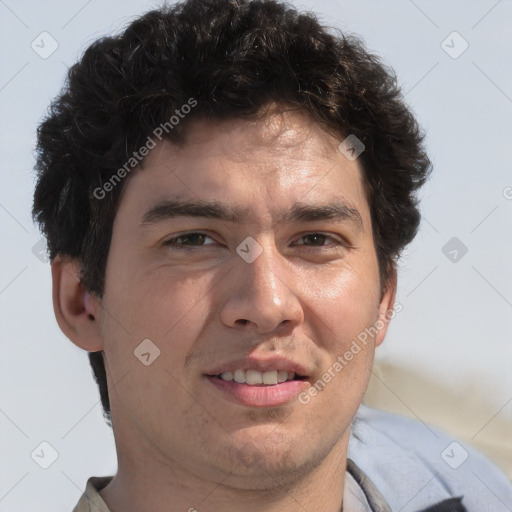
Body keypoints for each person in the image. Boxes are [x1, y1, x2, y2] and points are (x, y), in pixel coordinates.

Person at [32, 0, 512, 510]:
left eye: (315, 240)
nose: (267, 304)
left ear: (383, 300)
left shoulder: (466, 487)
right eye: (194, 240)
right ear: (82, 300)